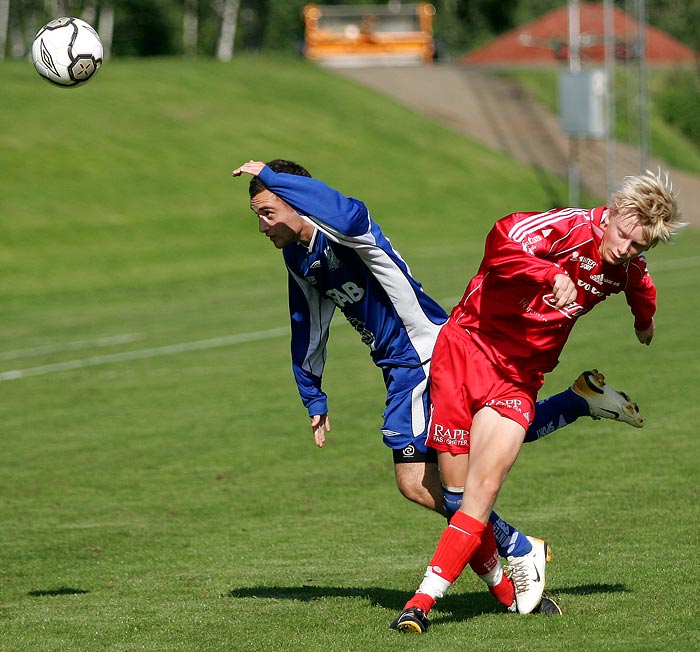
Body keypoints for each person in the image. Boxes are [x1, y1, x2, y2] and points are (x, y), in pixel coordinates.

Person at [231, 159, 644, 614]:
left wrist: (272, 174)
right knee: (429, 480)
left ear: (297, 203)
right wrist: (312, 392)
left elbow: (350, 213)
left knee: (444, 475)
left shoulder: (347, 231)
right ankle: (570, 418)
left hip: (426, 353)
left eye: (268, 212)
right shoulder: (299, 258)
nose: (262, 226)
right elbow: (305, 322)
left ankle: (514, 556)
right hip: (398, 367)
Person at [390, 170, 685, 632]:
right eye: (624, 236)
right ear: (611, 214)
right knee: (454, 492)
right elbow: (499, 244)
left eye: (638, 246)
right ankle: (512, 578)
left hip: (519, 379)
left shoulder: (626, 266)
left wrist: (643, 322)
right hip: (467, 350)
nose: (625, 249)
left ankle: (421, 603)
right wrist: (550, 273)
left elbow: (641, 287)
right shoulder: (564, 228)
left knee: (480, 492)